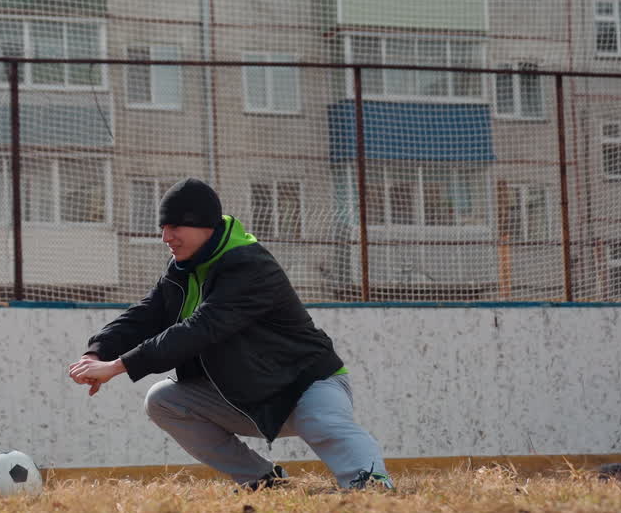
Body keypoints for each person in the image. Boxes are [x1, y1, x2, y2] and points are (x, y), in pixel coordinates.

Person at [68, 177, 393, 491]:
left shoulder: (249, 265)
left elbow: (200, 329)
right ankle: (263, 480)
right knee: (163, 401)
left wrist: (117, 367)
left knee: (320, 423)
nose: (166, 236)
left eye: (175, 226)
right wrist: (96, 353)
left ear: (204, 225)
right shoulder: (182, 268)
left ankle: (371, 481)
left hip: (307, 385)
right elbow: (144, 315)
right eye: (163, 227)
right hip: (247, 394)